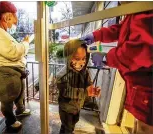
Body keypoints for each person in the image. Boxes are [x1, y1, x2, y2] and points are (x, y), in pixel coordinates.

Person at [81, 4, 153, 134]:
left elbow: (140, 50)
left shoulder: (147, 7)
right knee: (138, 123)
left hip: (147, 83)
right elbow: (123, 30)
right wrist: (96, 35)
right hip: (140, 81)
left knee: (145, 127)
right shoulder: (138, 9)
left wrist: (107, 58)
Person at [0, 1, 31, 130]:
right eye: (14, 20)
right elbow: (13, 52)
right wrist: (26, 43)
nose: (15, 23)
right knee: (8, 98)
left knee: (19, 92)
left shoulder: (2, 33)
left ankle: (20, 110)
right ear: (6, 17)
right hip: (4, 73)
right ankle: (10, 121)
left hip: (13, 71)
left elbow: (11, 48)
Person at [56, 39, 101, 134]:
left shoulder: (84, 72)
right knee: (68, 127)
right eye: (76, 58)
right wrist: (86, 92)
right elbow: (68, 91)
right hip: (66, 109)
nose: (81, 62)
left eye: (84, 58)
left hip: (77, 107)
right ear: (68, 57)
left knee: (71, 124)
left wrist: (93, 90)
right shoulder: (62, 75)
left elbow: (89, 83)